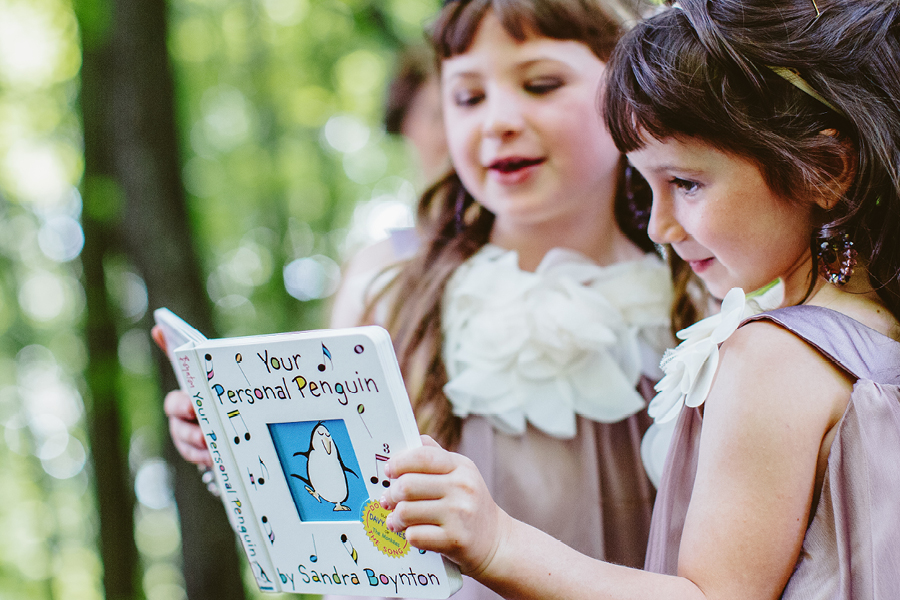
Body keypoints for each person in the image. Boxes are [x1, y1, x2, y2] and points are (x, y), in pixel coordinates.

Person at [379, 0, 900, 598]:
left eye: (685, 182)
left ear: (826, 169)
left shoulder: (772, 356)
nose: (658, 225)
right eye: (645, 185)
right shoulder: (878, 333)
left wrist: (498, 543)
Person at [162, 0, 674, 598]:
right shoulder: (395, 293)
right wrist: (238, 441)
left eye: (540, 84)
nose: (499, 121)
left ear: (630, 87)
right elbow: (341, 503)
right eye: (468, 97)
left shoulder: (694, 293)